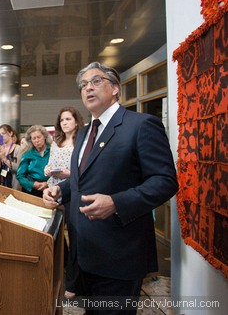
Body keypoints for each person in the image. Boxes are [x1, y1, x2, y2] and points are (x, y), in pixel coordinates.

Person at [42, 62, 178, 314]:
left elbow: (165, 181)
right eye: (83, 85)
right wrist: (61, 190)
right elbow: (81, 180)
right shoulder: (82, 134)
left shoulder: (140, 125)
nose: (88, 88)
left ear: (115, 88)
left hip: (119, 253)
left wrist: (117, 202)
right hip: (84, 253)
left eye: (96, 81)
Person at [43, 107, 84, 299]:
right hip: (54, 191)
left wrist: (68, 174)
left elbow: (84, 170)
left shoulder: (82, 141)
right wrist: (48, 170)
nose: (64, 122)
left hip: (73, 191)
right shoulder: (55, 141)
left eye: (68, 119)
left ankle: (74, 283)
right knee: (57, 235)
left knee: (75, 237)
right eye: (62, 120)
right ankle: (63, 269)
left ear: (76, 121)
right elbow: (50, 164)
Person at [16, 125, 51, 197]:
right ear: (31, 141)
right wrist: (33, 184)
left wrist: (48, 183)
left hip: (51, 188)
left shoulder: (53, 151)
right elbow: (20, 176)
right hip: (32, 190)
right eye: (34, 138)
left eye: (39, 137)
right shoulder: (27, 154)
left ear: (44, 137)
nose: (37, 140)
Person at [0, 124, 22, 190]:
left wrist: (5, 159)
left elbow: (19, 168)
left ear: (10, 133)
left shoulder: (18, 149)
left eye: (3, 133)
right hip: (0, 181)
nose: (1, 136)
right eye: (0, 134)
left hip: (13, 183)